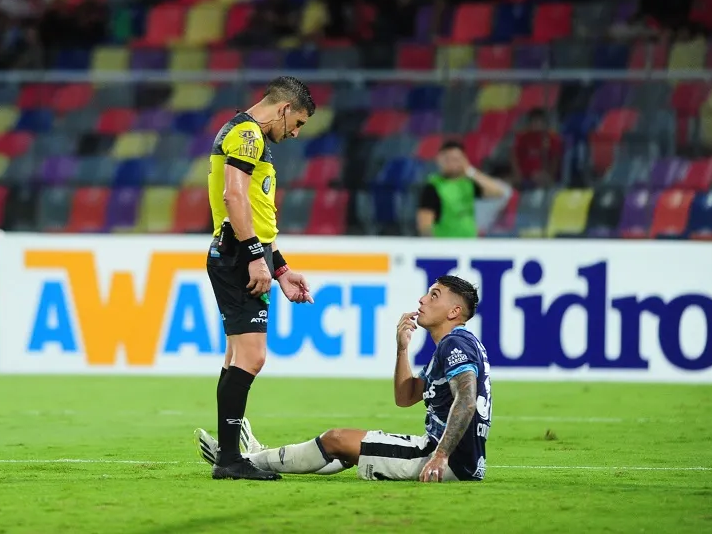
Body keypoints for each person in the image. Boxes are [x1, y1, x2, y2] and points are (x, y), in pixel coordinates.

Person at [197, 276, 491, 483]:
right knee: (343, 448)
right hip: (454, 456)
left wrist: (439, 456)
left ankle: (245, 459)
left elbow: (466, 400)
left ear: (455, 311)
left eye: (434, 295)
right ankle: (251, 457)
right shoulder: (455, 345)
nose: (422, 299)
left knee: (337, 439)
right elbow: (405, 397)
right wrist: (402, 348)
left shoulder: (455, 344)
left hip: (445, 458)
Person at [204, 77, 316, 480]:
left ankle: (227, 455)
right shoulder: (249, 135)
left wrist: (279, 266)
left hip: (241, 252)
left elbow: (253, 210)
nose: (296, 132)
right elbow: (234, 198)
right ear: (284, 109)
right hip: (238, 255)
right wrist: (255, 257)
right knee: (252, 357)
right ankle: (229, 460)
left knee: (237, 356)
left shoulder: (245, 133)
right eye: (298, 122)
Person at [417, 140, 510, 238]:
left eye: (456, 159)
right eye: (447, 159)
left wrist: (470, 170)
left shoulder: (468, 183)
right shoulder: (433, 186)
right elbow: (425, 224)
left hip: (469, 244)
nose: (451, 163)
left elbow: (498, 192)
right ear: (440, 160)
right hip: (445, 245)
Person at [512, 108, 562, 188]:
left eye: (539, 121)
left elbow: (555, 159)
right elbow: (514, 157)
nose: (536, 124)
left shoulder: (551, 138)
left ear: (544, 123)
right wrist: (518, 175)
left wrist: (549, 175)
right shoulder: (522, 138)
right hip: (526, 177)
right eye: (534, 121)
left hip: (544, 178)